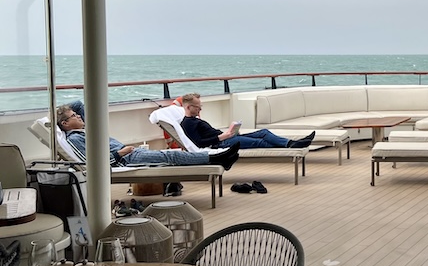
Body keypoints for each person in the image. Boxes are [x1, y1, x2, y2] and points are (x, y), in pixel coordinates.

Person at [56, 103, 239, 170]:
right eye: (74, 116)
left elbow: (78, 104)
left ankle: (220, 158)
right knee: (171, 156)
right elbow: (90, 164)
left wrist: (58, 113)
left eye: (77, 114)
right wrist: (121, 153)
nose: (79, 116)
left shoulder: (83, 131)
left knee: (169, 155)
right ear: (65, 124)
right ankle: (216, 158)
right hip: (125, 159)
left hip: (128, 153)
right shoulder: (75, 139)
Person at [180, 93, 315, 149]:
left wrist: (230, 132)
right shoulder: (187, 124)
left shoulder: (195, 120)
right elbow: (198, 143)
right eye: (197, 107)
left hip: (226, 138)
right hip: (221, 144)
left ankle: (291, 143)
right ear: (188, 107)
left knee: (264, 132)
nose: (200, 109)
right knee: (259, 142)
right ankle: (293, 145)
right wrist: (222, 137)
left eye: (200, 106)